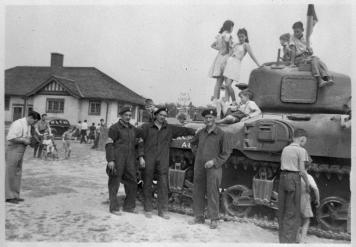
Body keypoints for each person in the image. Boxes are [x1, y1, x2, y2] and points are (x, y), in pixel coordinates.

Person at [138, 106, 196, 219]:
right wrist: (141, 157)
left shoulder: (169, 128)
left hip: (163, 159)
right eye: (161, 115)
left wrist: (195, 131)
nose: (163, 117)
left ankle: (162, 210)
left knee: (163, 185)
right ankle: (148, 209)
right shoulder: (146, 127)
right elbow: (140, 142)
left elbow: (183, 130)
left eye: (165, 116)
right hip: (148, 158)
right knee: (148, 183)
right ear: (155, 115)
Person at [188, 108, 231, 229]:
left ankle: (214, 219)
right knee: (198, 191)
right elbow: (192, 143)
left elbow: (226, 152)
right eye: (206, 118)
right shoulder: (201, 133)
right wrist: (198, 155)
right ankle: (199, 216)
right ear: (204, 119)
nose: (208, 120)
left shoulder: (221, 134)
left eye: (211, 117)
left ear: (215, 119)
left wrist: (214, 161)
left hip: (214, 168)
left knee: (213, 192)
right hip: (200, 167)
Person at [105, 106, 142, 215]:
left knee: (132, 182)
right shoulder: (114, 128)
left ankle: (129, 207)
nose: (128, 117)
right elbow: (109, 144)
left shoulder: (132, 129)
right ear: (121, 115)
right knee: (114, 183)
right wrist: (110, 159)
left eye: (130, 115)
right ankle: (114, 208)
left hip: (130, 160)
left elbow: (141, 138)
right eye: (126, 115)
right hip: (117, 159)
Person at [278, 128, 311, 243]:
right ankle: (289, 241)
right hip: (294, 179)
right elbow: (302, 171)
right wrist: (307, 184)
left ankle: (282, 239)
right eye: (305, 141)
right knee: (292, 212)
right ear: (302, 139)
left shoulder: (285, 149)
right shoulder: (301, 151)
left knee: (282, 209)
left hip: (283, 178)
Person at [5, 111, 41, 204]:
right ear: (30, 117)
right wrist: (23, 140)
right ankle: (8, 196)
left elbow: (27, 136)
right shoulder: (18, 124)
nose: (35, 123)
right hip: (13, 149)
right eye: (35, 121)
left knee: (17, 173)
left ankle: (15, 195)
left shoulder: (28, 124)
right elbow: (10, 137)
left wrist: (33, 140)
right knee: (10, 173)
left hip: (21, 150)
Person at [289, 21, 333, 88]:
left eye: (297, 31)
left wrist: (310, 51)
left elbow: (310, 51)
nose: (295, 33)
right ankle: (319, 79)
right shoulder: (292, 38)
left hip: (306, 56)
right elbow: (293, 51)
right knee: (314, 60)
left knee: (319, 61)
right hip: (298, 59)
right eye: (294, 32)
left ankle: (327, 77)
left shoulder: (306, 38)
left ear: (302, 30)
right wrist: (292, 63)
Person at [223, 28, 261, 102]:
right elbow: (230, 54)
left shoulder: (246, 45)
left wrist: (258, 65)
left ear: (245, 37)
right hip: (229, 63)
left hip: (236, 64)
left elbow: (252, 55)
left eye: (242, 36)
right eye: (239, 37)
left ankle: (234, 101)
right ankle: (227, 103)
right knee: (226, 87)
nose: (241, 38)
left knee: (228, 85)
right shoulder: (236, 44)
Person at [209, 20, 234, 103]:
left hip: (219, 57)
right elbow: (229, 48)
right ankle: (227, 100)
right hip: (226, 58)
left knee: (218, 82)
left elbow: (212, 45)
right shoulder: (228, 35)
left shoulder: (219, 35)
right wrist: (227, 51)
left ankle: (215, 101)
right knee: (227, 80)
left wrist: (220, 50)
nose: (232, 29)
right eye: (232, 27)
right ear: (230, 27)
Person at [297, 162, 320, 243]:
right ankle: (302, 241)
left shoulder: (297, 176)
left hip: (296, 198)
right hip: (305, 199)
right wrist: (318, 199)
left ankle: (297, 238)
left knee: (297, 219)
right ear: (309, 167)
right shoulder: (309, 177)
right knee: (306, 220)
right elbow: (315, 189)